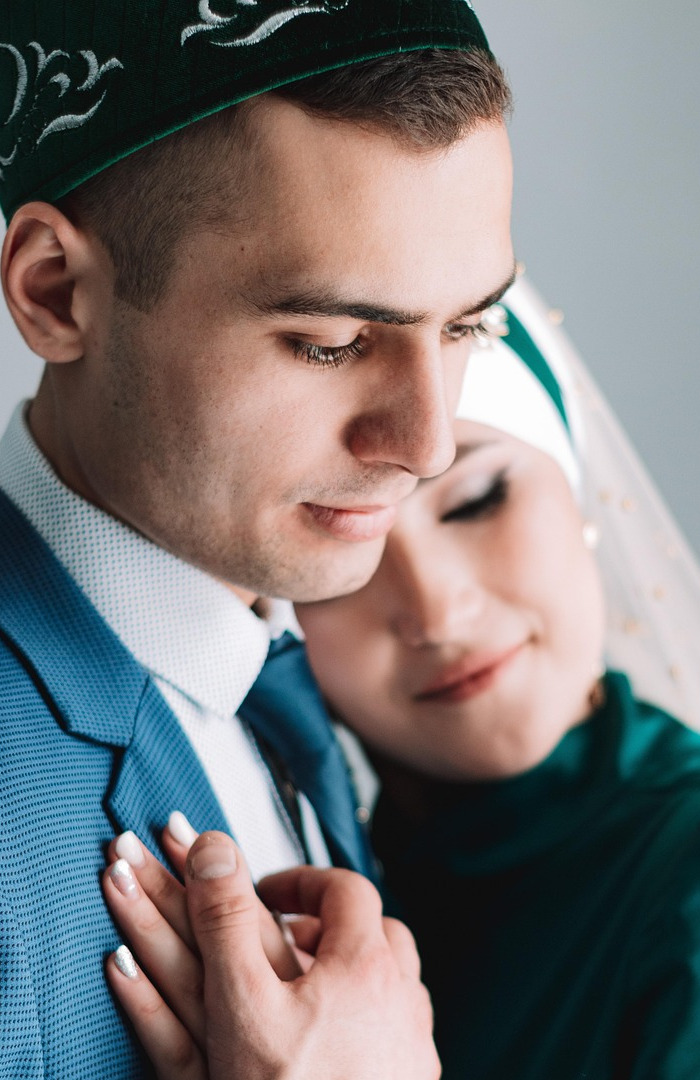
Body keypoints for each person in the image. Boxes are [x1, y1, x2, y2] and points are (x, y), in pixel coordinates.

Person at [0, 2, 515, 1077]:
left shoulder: (302, 661)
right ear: (54, 290)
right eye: (328, 343)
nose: (422, 446)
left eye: (468, 326)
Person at [103, 274, 700, 1079]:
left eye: (477, 501)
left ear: (580, 493)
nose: (436, 613)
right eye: (353, 552)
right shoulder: (317, 846)